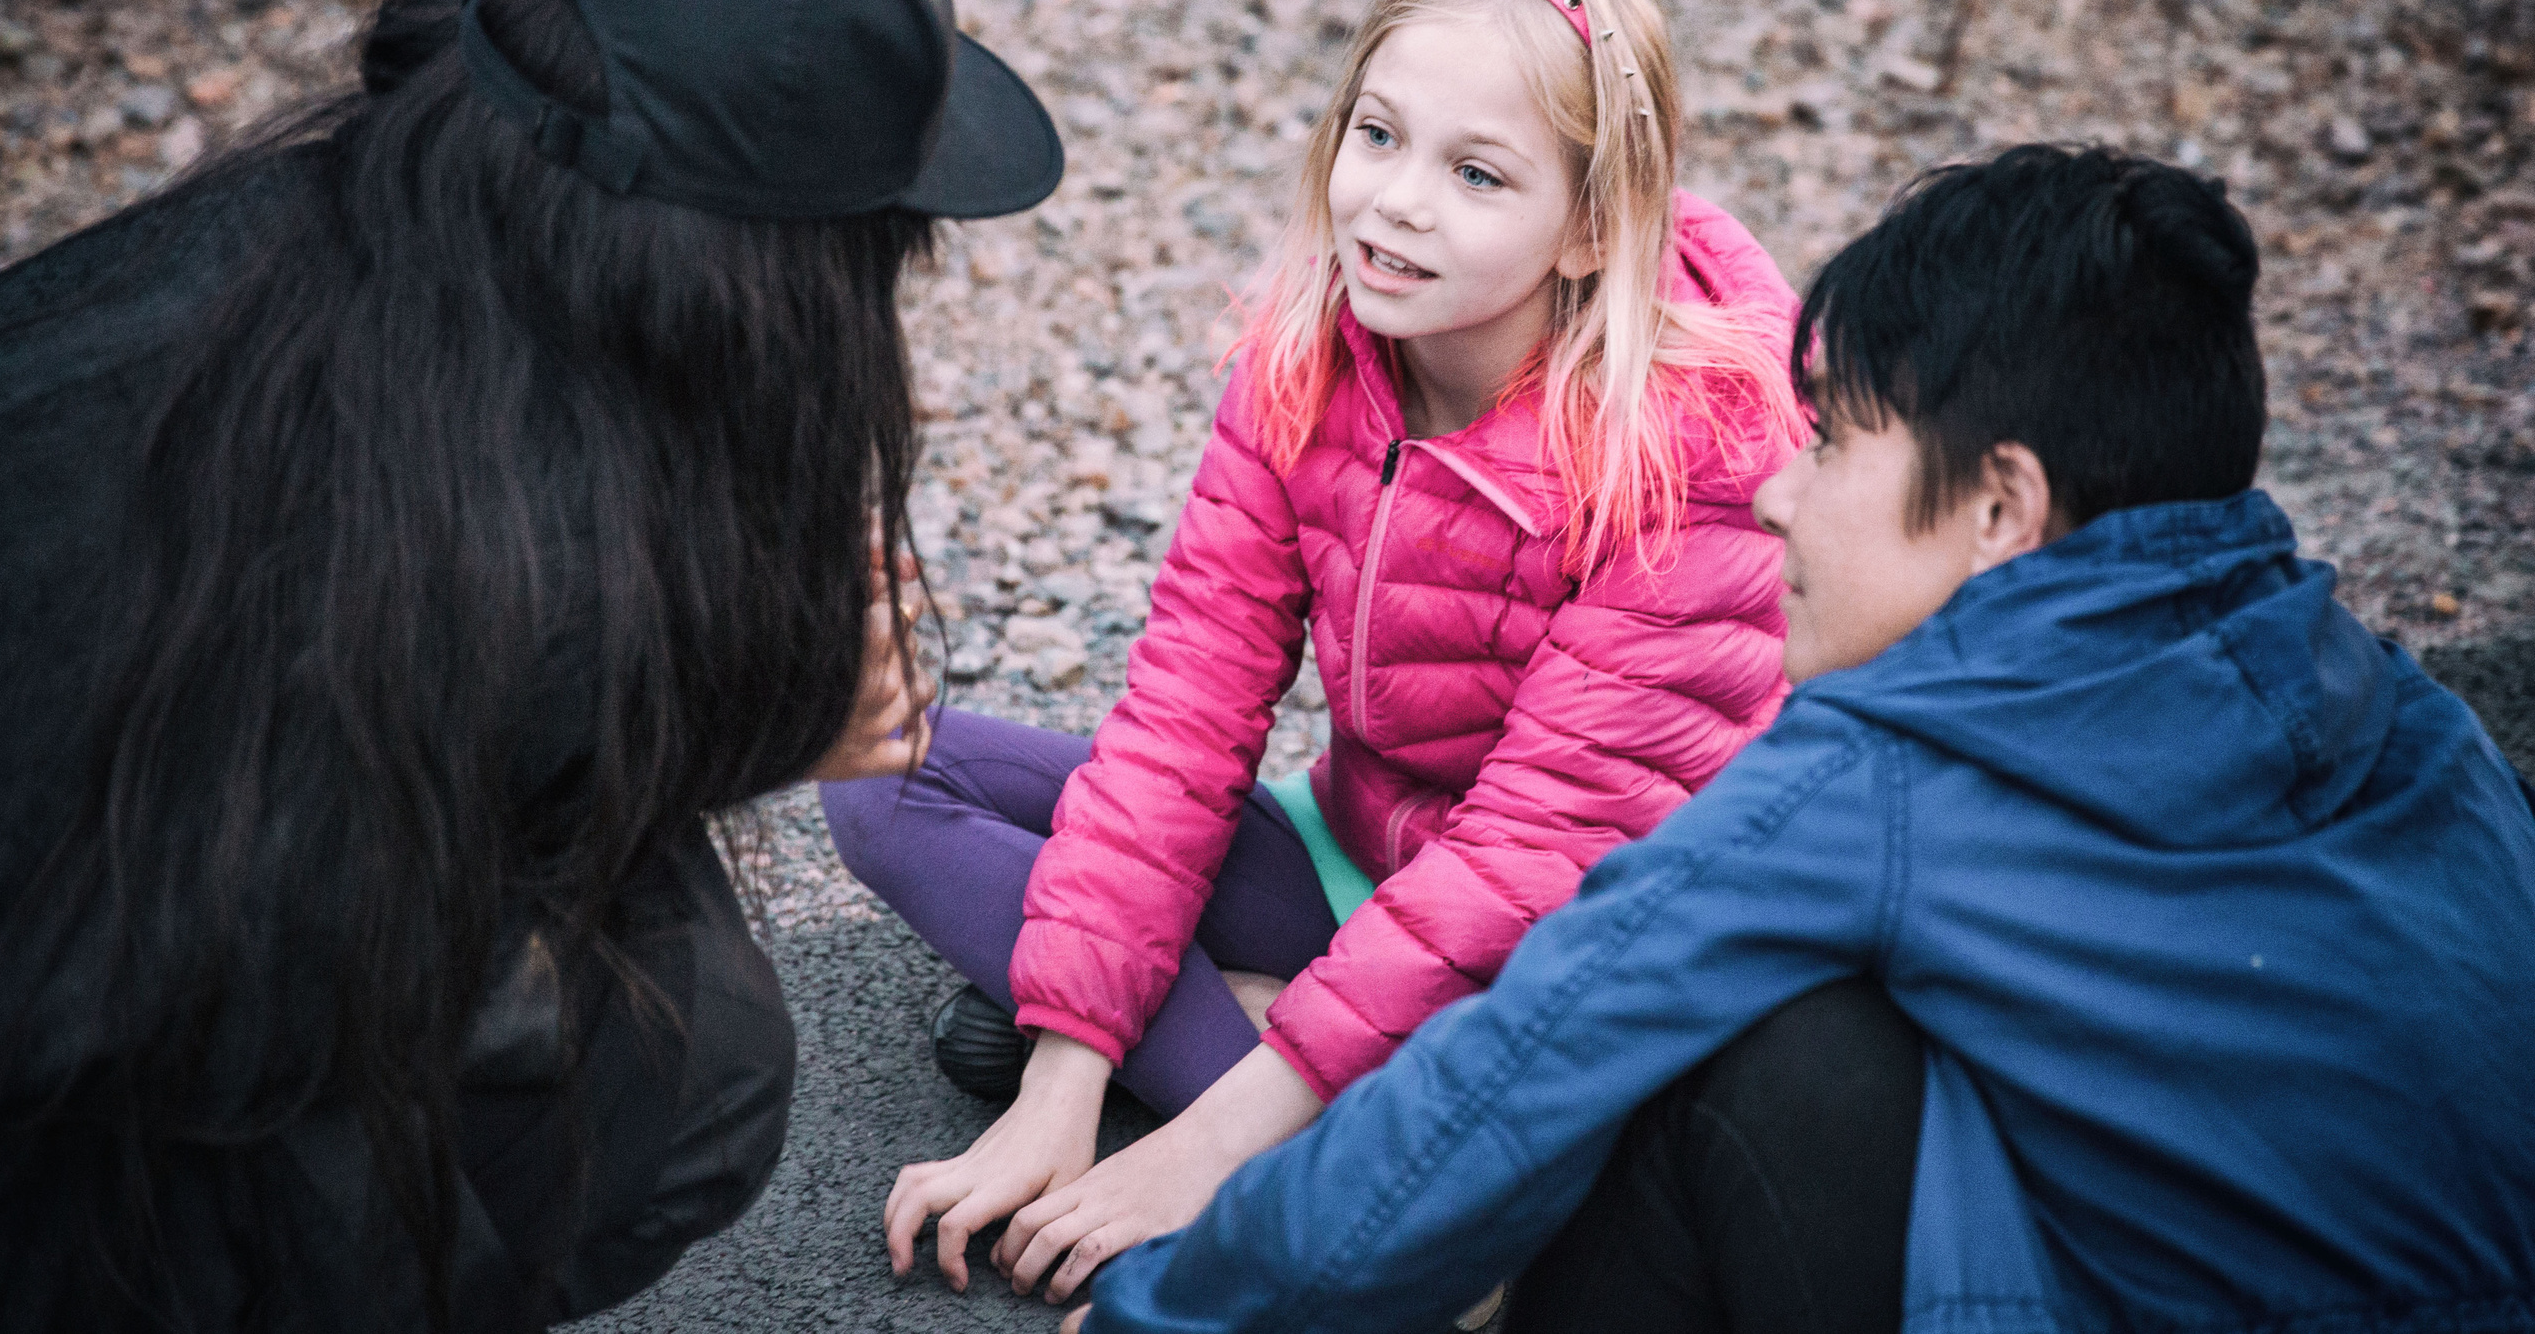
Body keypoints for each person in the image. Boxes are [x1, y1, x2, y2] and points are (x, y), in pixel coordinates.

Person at [1070, 145, 2535, 1334]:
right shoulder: (2424, 731)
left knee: (1707, 1054)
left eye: (1832, 442)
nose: (1779, 495)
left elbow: (1517, 1072)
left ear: (2002, 510)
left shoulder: (1870, 782)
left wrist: (1170, 1308)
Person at [0, 0, 1061, 1332]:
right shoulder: (499, 567)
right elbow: (256, 987)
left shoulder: (319, 242)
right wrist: (773, 721)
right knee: (690, 1071)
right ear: (764, 293)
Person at [827, 0, 1808, 1306]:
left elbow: (1531, 859)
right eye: (1379, 135)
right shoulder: (1311, 355)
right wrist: (1060, 1087)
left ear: (1592, 226)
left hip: (1567, 945)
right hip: (1357, 850)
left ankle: (1298, 1128)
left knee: (1540, 1080)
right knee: (886, 776)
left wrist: (1204, 1153)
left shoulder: (1687, 450)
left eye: (1476, 175)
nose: (1396, 206)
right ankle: (1288, 1072)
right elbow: (1185, 710)